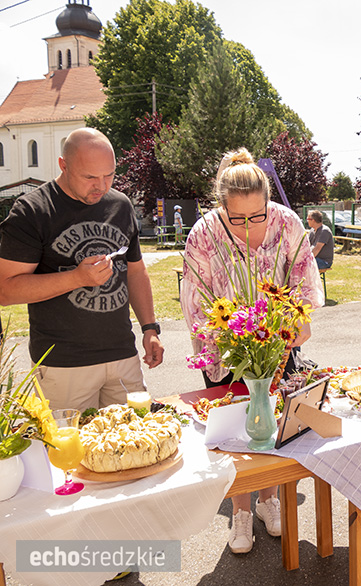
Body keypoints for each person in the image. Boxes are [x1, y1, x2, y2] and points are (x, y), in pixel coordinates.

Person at [181, 148, 323, 554]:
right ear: (221, 206)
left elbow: (305, 281)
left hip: (278, 343)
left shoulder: (286, 222)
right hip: (226, 346)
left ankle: (269, 499)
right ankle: (241, 509)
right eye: (237, 218)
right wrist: (221, 347)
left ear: (268, 203)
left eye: (257, 216)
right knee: (231, 428)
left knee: (274, 420)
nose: (248, 226)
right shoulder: (204, 233)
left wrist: (300, 318)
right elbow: (195, 303)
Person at [0, 128, 163, 410]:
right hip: (63, 365)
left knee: (138, 446)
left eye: (109, 175)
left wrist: (150, 328)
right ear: (63, 165)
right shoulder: (33, 210)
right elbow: (6, 289)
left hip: (122, 356)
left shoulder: (120, 205)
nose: (101, 186)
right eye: (90, 177)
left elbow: (135, 272)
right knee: (68, 452)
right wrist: (76, 278)